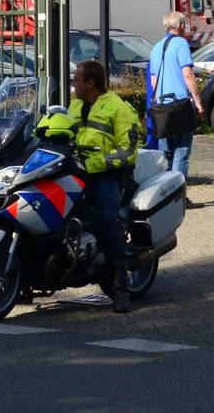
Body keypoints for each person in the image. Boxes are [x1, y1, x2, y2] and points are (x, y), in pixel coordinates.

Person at [69, 60, 141, 314]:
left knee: (106, 218)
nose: (73, 84)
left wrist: (101, 161)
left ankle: (120, 286)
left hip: (107, 176)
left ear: (90, 83)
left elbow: (129, 150)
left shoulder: (118, 109)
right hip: (77, 171)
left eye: (77, 80)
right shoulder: (75, 104)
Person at [148, 11, 203, 209]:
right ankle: (178, 197)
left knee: (166, 152)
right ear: (180, 26)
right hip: (179, 105)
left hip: (161, 107)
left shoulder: (156, 47)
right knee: (181, 151)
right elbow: (188, 74)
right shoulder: (181, 44)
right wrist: (197, 101)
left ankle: (162, 197)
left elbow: (154, 80)